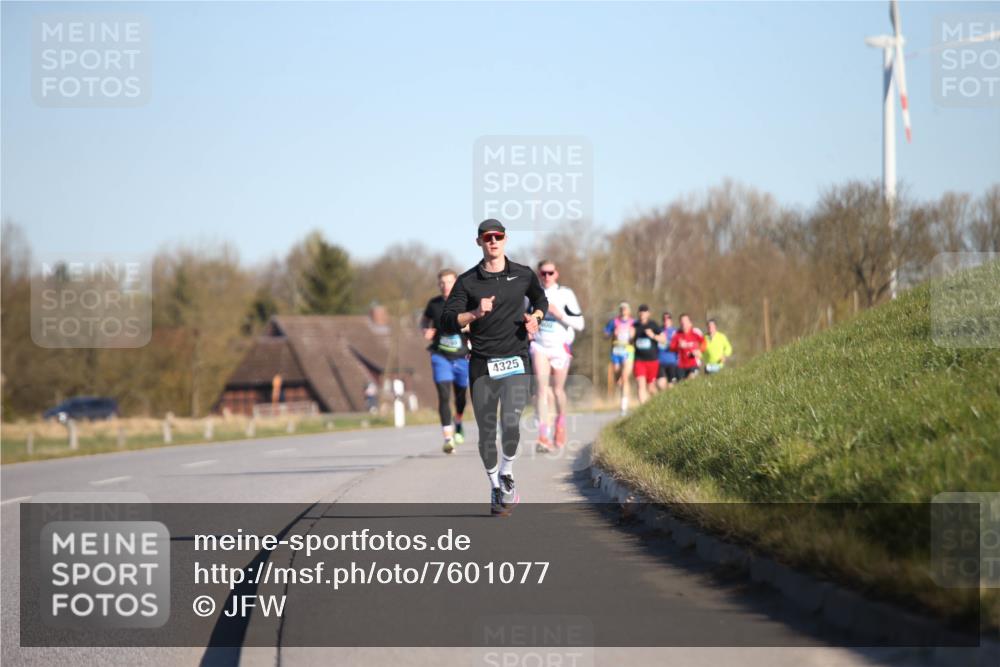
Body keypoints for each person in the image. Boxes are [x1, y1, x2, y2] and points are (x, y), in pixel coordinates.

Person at [441, 219, 547, 516]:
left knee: (511, 422)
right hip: (482, 364)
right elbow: (448, 320)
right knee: (487, 433)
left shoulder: (523, 275)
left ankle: (507, 472)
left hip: (515, 359)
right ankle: (494, 485)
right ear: (479, 242)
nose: (493, 241)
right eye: (487, 237)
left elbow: (540, 298)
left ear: (505, 239)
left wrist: (536, 316)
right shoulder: (467, 281)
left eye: (498, 236)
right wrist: (474, 313)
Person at [530, 260, 585, 452]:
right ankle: (543, 435)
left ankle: (560, 424)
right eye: (542, 273)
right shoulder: (532, 293)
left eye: (550, 273)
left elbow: (580, 324)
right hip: (540, 346)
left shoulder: (565, 294)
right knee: (542, 390)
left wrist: (559, 314)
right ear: (538, 274)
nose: (546, 277)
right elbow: (524, 315)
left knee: (557, 391)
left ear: (556, 274)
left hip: (560, 347)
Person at [421, 269, 470, 453]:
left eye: (449, 282)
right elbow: (424, 321)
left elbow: (476, 320)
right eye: (442, 282)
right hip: (440, 355)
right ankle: (448, 438)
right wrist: (425, 330)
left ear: (455, 282)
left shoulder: (464, 301)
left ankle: (458, 420)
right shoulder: (433, 304)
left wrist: (468, 327)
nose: (445, 286)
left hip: (462, 356)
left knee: (460, 397)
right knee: (443, 395)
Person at [604, 302, 635, 416]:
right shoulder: (614, 322)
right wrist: (612, 333)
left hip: (628, 351)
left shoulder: (633, 323)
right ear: (619, 311)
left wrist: (633, 335)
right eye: (621, 309)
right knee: (618, 376)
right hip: (616, 351)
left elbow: (639, 335)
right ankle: (623, 390)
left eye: (625, 309)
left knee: (625, 377)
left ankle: (624, 406)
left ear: (629, 311)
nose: (623, 311)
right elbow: (605, 334)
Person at [631, 305, 666, 404]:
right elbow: (629, 342)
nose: (642, 314)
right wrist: (630, 336)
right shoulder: (635, 325)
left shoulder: (653, 325)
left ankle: (658, 404)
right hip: (639, 360)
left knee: (651, 388)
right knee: (640, 384)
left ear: (648, 313)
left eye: (644, 312)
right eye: (640, 312)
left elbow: (663, 340)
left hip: (652, 361)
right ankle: (643, 408)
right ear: (638, 313)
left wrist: (653, 335)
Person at [668, 313, 706, 381]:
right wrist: (679, 346)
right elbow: (671, 348)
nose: (683, 323)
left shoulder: (695, 332)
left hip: (694, 364)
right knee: (682, 385)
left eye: (685, 321)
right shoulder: (677, 334)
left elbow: (704, 343)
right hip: (681, 365)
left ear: (690, 322)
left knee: (691, 378)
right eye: (681, 321)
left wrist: (699, 351)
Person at [656, 312, 680, 391]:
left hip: (672, 362)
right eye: (664, 318)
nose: (666, 320)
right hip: (660, 361)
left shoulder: (676, 332)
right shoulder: (658, 330)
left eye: (668, 318)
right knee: (660, 384)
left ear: (671, 320)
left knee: (671, 385)